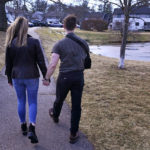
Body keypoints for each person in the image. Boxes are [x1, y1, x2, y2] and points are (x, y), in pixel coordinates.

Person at [43, 14, 89, 144]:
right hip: (79, 76)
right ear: (75, 26)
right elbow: (85, 60)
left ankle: (55, 115)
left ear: (63, 26)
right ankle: (73, 133)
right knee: (76, 106)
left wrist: (46, 78)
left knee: (59, 99)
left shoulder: (59, 44)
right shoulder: (84, 43)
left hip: (65, 77)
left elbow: (53, 64)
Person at [5, 17, 47, 144]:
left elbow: (8, 64)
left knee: (21, 101)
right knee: (33, 102)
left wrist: (9, 79)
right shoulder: (34, 42)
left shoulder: (10, 43)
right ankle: (32, 128)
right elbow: (41, 61)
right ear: (26, 27)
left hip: (17, 76)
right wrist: (46, 76)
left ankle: (23, 125)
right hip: (32, 76)